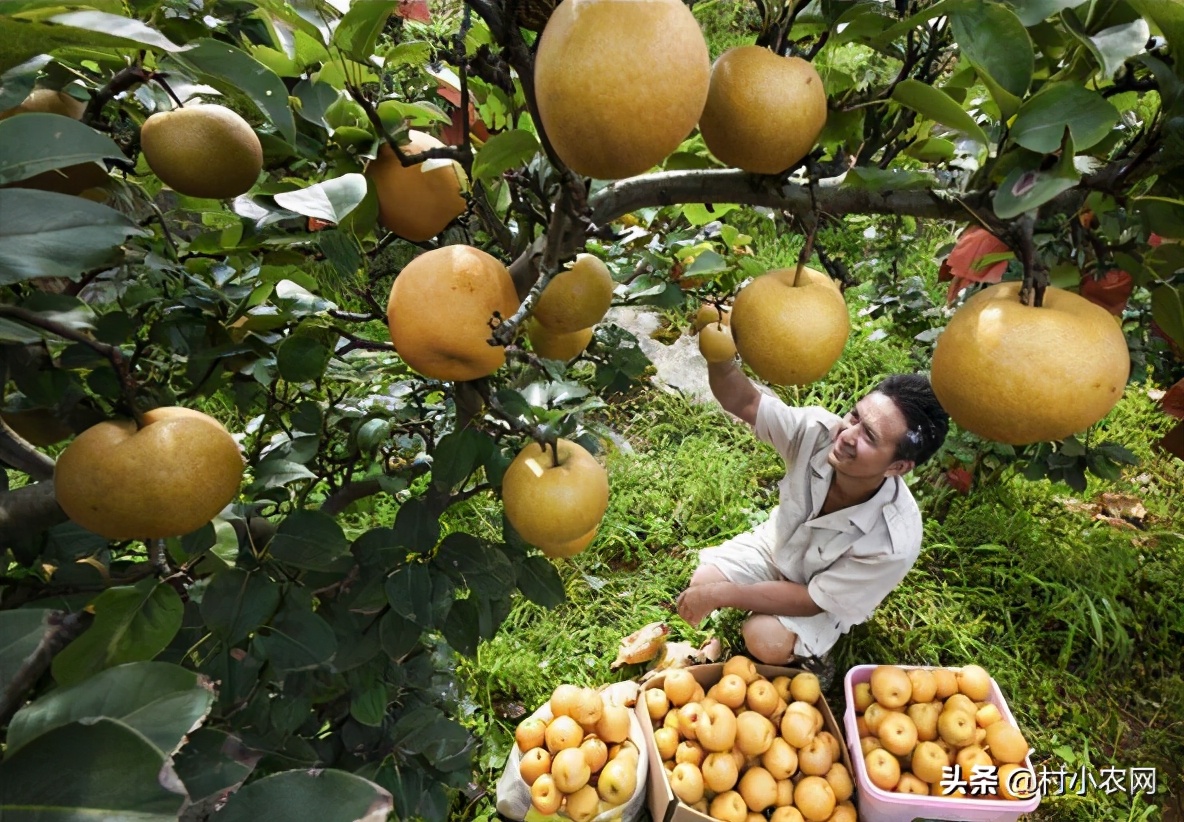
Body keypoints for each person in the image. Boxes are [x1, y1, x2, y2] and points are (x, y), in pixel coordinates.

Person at [675, 357, 949, 669]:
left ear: (896, 467)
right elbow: (747, 401)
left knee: (764, 638)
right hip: (778, 547)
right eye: (854, 417)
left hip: (822, 598)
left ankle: (813, 659)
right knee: (702, 581)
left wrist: (724, 594)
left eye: (869, 436)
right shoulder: (818, 433)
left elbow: (811, 600)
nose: (847, 435)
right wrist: (719, 357)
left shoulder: (892, 542)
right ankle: (757, 602)